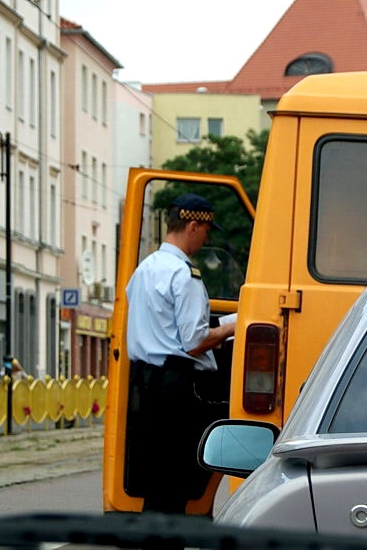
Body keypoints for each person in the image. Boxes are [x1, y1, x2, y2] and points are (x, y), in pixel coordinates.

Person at [124, 193, 236, 514]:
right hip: (177, 387)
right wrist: (234, 327)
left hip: (146, 383)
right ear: (191, 226)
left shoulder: (144, 270)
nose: (207, 237)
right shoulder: (184, 275)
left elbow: (162, 328)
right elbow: (193, 341)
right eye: (206, 231)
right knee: (175, 484)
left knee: (156, 481)